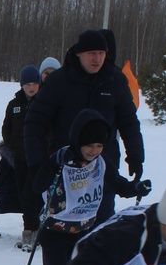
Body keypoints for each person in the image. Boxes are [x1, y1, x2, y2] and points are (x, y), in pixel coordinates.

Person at [32, 111, 152, 265]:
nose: (94, 150)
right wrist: (53, 170)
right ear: (78, 141)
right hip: (56, 231)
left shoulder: (101, 162)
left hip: (84, 232)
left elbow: (116, 183)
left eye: (99, 145)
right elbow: (36, 185)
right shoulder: (61, 158)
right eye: (89, 145)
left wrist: (135, 188)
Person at [24, 30, 144, 223]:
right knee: (62, 228)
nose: (97, 59)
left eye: (101, 53)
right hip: (65, 167)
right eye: (91, 53)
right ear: (79, 53)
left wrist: (136, 156)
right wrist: (37, 163)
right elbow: (35, 123)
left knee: (100, 227)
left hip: (103, 166)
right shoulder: (59, 81)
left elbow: (129, 122)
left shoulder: (115, 80)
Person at [0, 64, 42, 249]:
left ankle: (36, 231)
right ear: (21, 85)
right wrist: (11, 147)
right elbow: (6, 128)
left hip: (37, 159)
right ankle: (27, 230)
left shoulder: (44, 103)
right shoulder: (14, 105)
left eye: (34, 83)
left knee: (35, 195)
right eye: (27, 83)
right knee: (23, 195)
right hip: (19, 159)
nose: (31, 87)